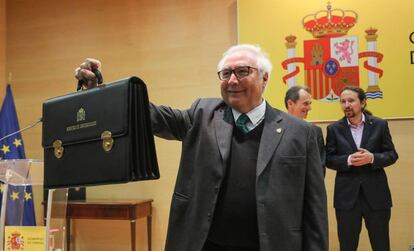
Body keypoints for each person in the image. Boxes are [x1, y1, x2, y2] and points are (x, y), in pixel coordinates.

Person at [75, 44, 328, 251]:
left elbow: (314, 210)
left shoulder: (302, 133)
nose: (232, 80)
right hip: (205, 244)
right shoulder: (202, 113)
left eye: (242, 71)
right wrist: (100, 92)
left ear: (264, 78)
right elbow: (150, 116)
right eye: (225, 73)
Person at [326, 86, 398, 251]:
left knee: (381, 245)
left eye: (351, 100)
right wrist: (349, 159)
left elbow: (392, 154)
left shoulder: (380, 125)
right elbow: (328, 159)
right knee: (347, 246)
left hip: (377, 196)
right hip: (347, 199)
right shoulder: (334, 129)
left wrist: (372, 158)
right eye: (343, 101)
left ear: (363, 102)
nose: (346, 105)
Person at [284, 86, 326, 174]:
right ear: (290, 103)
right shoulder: (274, 129)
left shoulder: (316, 131)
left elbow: (320, 167)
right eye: (306, 103)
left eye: (310, 103)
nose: (310, 108)